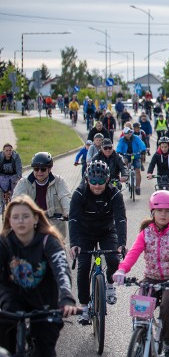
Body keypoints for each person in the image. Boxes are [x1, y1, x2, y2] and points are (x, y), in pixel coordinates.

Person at [0, 195, 77, 356]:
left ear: (35, 218)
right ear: (9, 221)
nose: (21, 221)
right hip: (12, 299)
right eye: (16, 217)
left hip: (44, 301)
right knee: (5, 339)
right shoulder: (4, 242)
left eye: (25, 216)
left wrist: (66, 298)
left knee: (44, 348)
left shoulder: (49, 241)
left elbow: (61, 271)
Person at [113, 191, 169, 357]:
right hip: (150, 278)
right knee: (141, 308)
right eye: (160, 211)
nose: (164, 214)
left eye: (168, 211)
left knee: (168, 305)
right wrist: (122, 269)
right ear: (153, 212)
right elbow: (133, 252)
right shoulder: (146, 233)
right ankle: (141, 336)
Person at [69, 160, 127, 324]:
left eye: (101, 181)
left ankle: (109, 284)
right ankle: (84, 308)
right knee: (84, 267)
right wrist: (73, 244)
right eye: (93, 181)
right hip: (84, 233)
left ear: (107, 179)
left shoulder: (115, 193)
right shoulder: (79, 193)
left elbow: (120, 219)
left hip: (107, 231)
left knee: (114, 260)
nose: (97, 185)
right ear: (87, 179)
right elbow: (73, 220)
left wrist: (121, 243)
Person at [12, 152, 71, 239]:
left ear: (49, 169)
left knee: (59, 251)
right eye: (36, 169)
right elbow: (17, 200)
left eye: (43, 169)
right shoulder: (24, 182)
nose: (39, 172)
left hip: (55, 228)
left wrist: (69, 212)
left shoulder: (59, 181)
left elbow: (65, 197)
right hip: (32, 226)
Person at [116, 127, 147, 195]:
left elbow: (141, 144)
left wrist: (143, 150)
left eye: (130, 132)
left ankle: (138, 187)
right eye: (127, 133)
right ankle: (126, 174)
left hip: (135, 155)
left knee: (137, 170)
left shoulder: (136, 138)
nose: (129, 134)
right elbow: (119, 147)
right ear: (124, 134)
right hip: (126, 155)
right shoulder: (122, 140)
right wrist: (119, 152)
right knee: (125, 161)